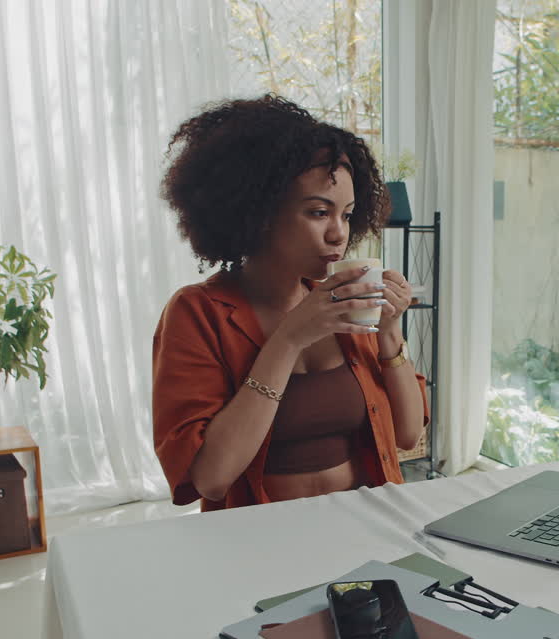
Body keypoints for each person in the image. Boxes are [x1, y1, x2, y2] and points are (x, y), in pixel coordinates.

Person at [152, 95, 429, 511]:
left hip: (367, 524)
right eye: (319, 213)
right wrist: (287, 340)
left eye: (348, 214)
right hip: (260, 542)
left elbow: (408, 435)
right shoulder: (198, 313)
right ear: (257, 212)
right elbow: (211, 478)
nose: (339, 234)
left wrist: (389, 332)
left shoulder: (346, 305)